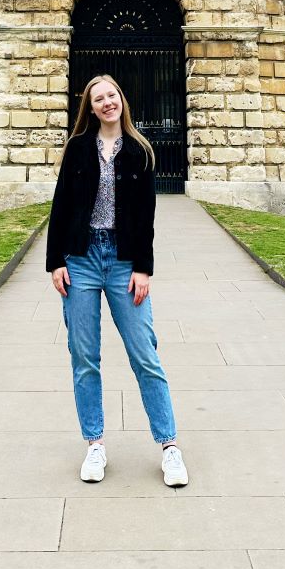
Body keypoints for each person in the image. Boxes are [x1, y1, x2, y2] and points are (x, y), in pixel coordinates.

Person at [46, 73, 188, 487]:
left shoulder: (141, 150)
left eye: (112, 96)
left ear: (121, 100)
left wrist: (144, 267)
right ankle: (94, 445)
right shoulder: (77, 148)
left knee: (145, 354)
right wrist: (56, 260)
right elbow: (61, 205)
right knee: (84, 357)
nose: (107, 103)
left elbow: (146, 215)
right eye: (98, 99)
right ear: (89, 108)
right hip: (82, 258)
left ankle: (170, 446)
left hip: (125, 262)